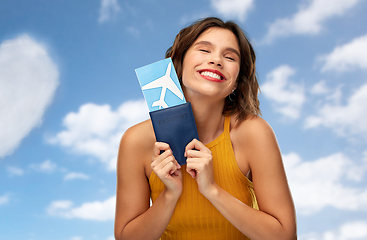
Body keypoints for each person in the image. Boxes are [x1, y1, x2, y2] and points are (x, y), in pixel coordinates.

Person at [114, 17, 297, 240]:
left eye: (229, 57)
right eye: (204, 50)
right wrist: (170, 195)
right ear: (178, 65)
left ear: (238, 81)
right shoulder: (136, 141)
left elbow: (285, 236)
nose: (216, 60)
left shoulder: (253, 133)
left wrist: (212, 190)